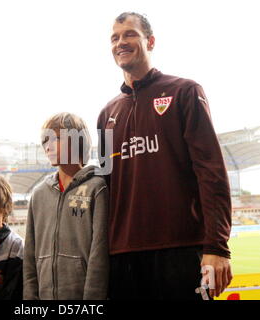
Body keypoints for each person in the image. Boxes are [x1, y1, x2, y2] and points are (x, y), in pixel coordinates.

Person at [97, 12, 232, 300]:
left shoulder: (184, 92)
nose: (121, 42)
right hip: (122, 258)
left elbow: (212, 172)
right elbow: (105, 188)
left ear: (151, 41)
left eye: (129, 34)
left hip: (181, 251)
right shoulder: (107, 114)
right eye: (115, 37)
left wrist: (217, 247)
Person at [23, 112, 109, 300]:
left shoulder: (97, 188)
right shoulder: (38, 194)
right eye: (45, 140)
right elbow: (29, 257)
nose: (48, 146)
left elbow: (99, 254)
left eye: (56, 139)